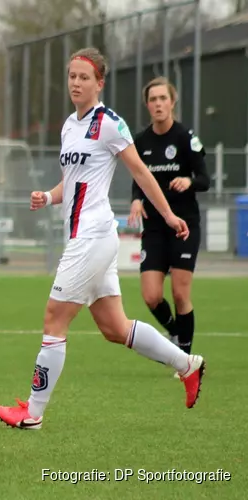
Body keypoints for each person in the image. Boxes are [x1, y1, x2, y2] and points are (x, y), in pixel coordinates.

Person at [0, 48, 206, 430]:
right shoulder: (69, 125)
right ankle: (187, 364)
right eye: (72, 76)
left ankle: (33, 414)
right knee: (115, 328)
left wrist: (170, 215)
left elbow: (141, 173)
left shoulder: (109, 123)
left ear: (100, 83)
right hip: (87, 236)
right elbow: (72, 182)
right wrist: (49, 196)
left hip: (92, 236)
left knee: (54, 319)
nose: (76, 83)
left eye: (84, 77)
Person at [128, 77, 209, 369]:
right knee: (151, 295)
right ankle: (175, 332)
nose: (158, 104)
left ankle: (185, 359)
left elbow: (205, 179)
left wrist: (188, 181)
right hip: (154, 227)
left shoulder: (186, 138)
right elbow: (138, 178)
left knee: (179, 292)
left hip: (184, 224)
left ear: (172, 102)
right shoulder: (141, 141)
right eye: (153, 99)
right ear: (147, 105)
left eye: (163, 98)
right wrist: (136, 199)